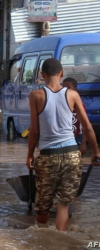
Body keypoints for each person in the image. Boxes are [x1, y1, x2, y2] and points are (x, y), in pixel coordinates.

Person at [26, 58, 100, 231]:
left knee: (43, 204)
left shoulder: (36, 95)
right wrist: (96, 152)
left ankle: (42, 240)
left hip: (47, 156)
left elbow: (34, 132)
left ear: (42, 75)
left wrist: (29, 154)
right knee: (63, 204)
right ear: (62, 74)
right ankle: (60, 240)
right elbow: (87, 127)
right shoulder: (72, 95)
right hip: (72, 155)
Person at [62, 77, 87, 155]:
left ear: (75, 89)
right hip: (63, 139)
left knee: (75, 162)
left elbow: (85, 125)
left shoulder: (79, 106)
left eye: (69, 87)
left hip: (77, 138)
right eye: (63, 88)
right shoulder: (60, 104)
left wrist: (83, 143)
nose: (65, 90)